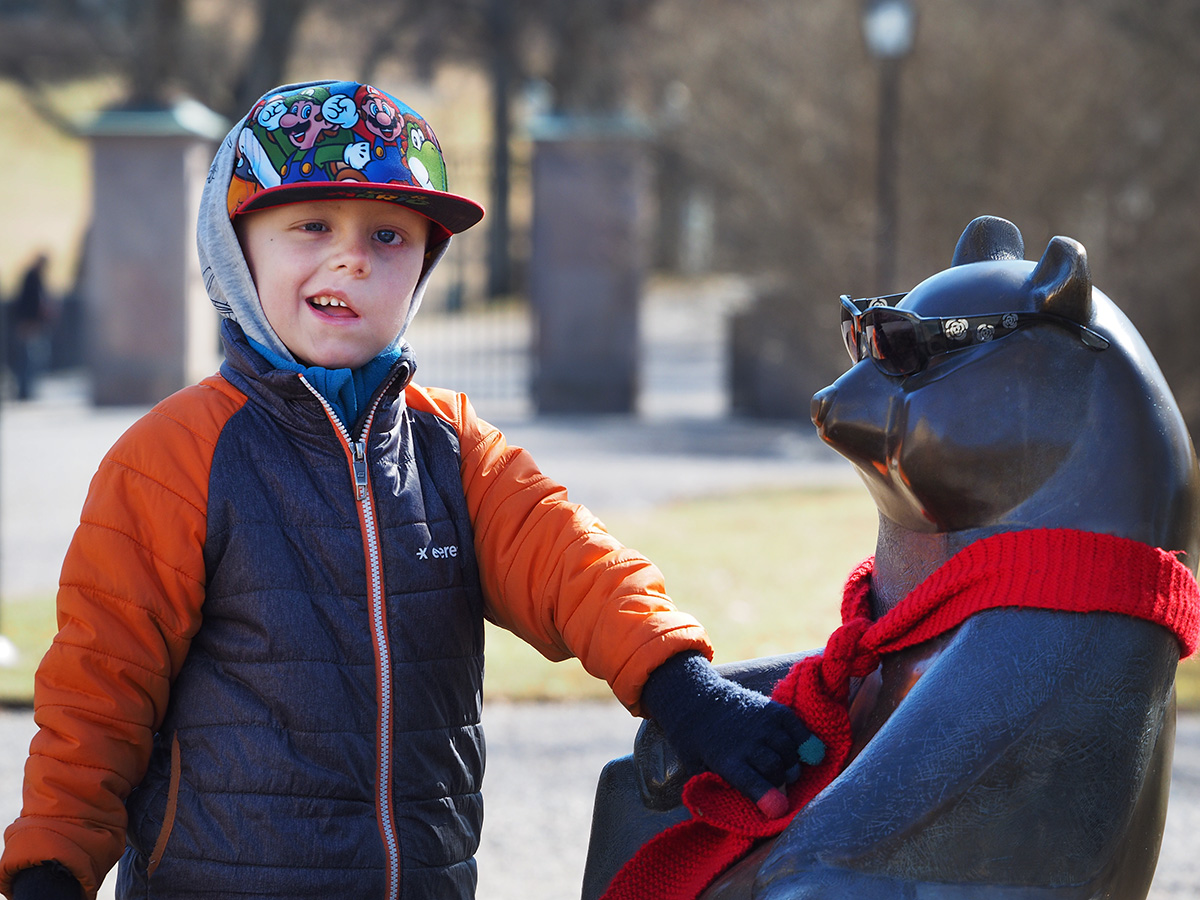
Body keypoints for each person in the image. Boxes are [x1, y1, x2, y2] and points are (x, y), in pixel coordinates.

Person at [0, 80, 815, 900]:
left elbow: (575, 563)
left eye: (389, 235)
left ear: (423, 266)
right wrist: (51, 867)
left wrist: (685, 689)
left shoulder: (450, 447)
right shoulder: (174, 457)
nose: (352, 256)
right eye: (311, 225)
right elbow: (97, 693)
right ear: (236, 248)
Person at [9, 253, 52, 400]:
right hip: (28, 323)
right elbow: (31, 303)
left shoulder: (33, 277)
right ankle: (23, 390)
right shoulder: (32, 277)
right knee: (28, 357)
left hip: (29, 323)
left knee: (30, 357)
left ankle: (25, 389)